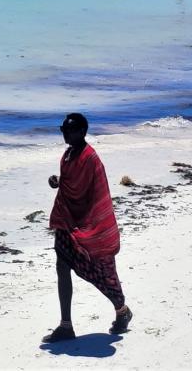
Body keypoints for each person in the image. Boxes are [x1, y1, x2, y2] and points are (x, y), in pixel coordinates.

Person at [42, 113, 133, 343]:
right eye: (63, 130)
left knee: (102, 272)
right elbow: (72, 183)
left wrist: (93, 229)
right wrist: (58, 182)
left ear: (82, 132)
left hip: (88, 225)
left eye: (69, 130)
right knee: (62, 265)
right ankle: (66, 325)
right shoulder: (69, 153)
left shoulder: (91, 158)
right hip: (67, 220)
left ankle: (122, 310)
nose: (65, 133)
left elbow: (97, 194)